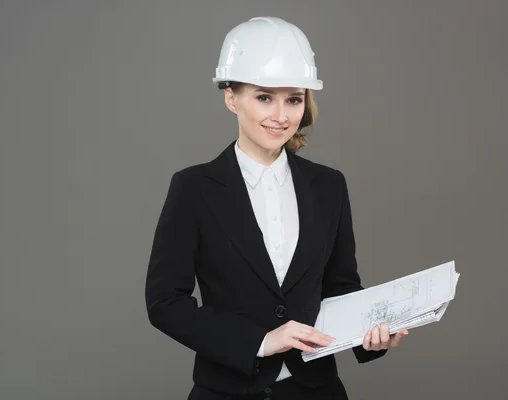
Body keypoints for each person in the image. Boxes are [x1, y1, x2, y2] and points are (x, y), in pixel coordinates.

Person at [145, 16, 409, 400]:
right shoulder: (193, 188)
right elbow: (165, 303)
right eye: (265, 97)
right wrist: (261, 341)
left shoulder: (329, 186)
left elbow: (340, 287)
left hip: (317, 392)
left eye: (294, 99)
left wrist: (371, 336)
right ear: (231, 97)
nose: (281, 116)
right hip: (227, 391)